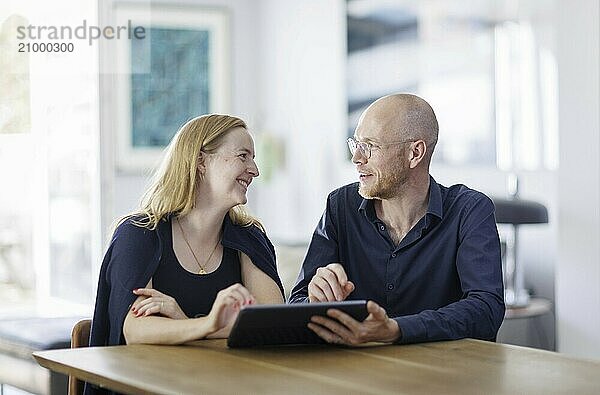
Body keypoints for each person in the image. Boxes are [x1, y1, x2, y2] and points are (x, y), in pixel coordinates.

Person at [289, 93, 505, 345]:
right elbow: (297, 302)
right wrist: (315, 300)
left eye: (370, 146)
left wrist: (397, 329)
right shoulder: (339, 207)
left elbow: (486, 310)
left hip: (443, 375)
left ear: (415, 153)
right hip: (356, 371)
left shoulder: (469, 210)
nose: (356, 158)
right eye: (355, 144)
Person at [89, 114, 284, 350]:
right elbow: (137, 330)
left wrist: (185, 321)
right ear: (201, 161)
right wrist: (208, 324)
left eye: (253, 159)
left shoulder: (250, 236)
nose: (254, 170)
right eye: (243, 156)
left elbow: (272, 322)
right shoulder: (139, 234)